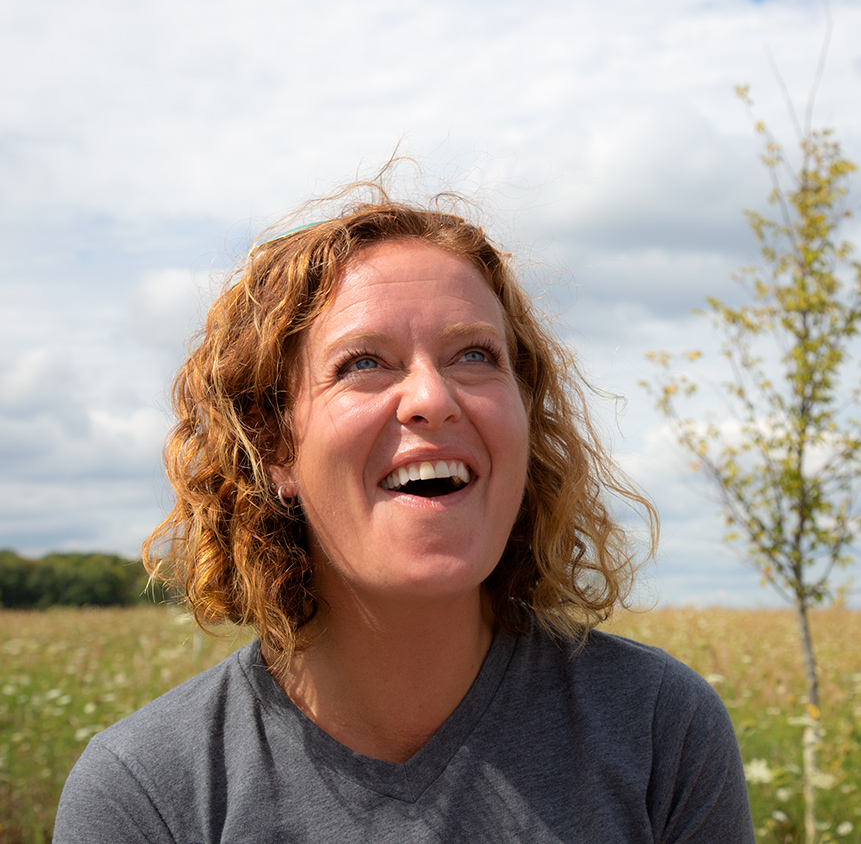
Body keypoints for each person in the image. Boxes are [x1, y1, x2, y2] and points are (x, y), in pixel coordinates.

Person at [54, 186, 755, 842]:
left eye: (474, 356)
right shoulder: (146, 793)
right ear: (273, 446)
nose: (432, 397)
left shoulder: (658, 727)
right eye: (363, 363)